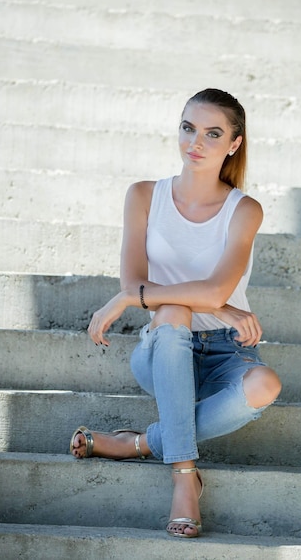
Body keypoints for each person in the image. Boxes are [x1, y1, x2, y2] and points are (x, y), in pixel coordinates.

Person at [70, 88, 282, 539]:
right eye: (188, 128)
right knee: (172, 315)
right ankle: (184, 476)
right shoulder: (145, 195)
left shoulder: (243, 210)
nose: (196, 143)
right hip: (165, 349)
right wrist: (213, 304)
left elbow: (212, 287)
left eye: (212, 133)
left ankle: (141, 442)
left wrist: (140, 298)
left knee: (266, 384)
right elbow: (137, 283)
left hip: (227, 349)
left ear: (234, 144)